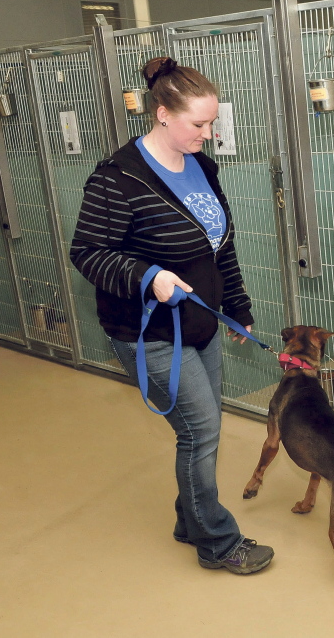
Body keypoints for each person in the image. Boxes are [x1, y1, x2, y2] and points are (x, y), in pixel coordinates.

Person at [70, 57, 273, 575]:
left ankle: (191, 519)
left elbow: (218, 244)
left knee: (203, 430)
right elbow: (87, 251)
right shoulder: (117, 178)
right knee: (200, 431)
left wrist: (239, 307)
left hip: (202, 324)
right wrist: (146, 275)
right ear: (162, 114)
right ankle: (217, 542)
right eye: (198, 124)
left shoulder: (201, 166)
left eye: (212, 123)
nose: (208, 134)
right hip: (150, 333)